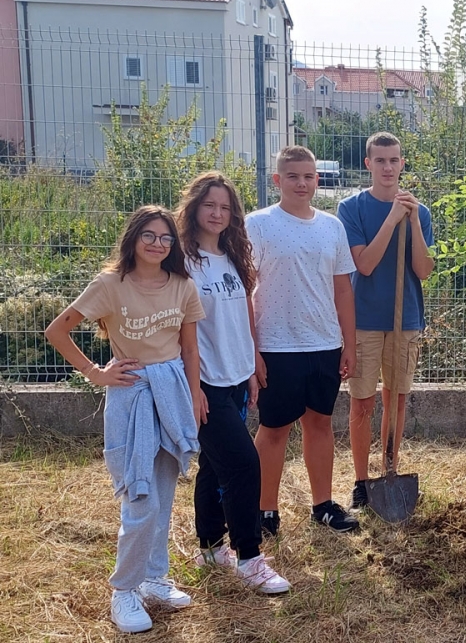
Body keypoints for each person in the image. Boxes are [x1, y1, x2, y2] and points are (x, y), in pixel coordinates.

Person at [44, 206, 205, 633]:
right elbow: (56, 331)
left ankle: (154, 579)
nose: (158, 244)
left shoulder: (183, 286)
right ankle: (124, 589)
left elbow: (190, 349)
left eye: (166, 237)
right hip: (132, 394)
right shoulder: (109, 284)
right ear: (133, 238)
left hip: (172, 391)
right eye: (149, 235)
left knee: (163, 494)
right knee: (140, 495)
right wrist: (95, 373)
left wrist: (194, 396)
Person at [176, 171, 290, 594]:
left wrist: (252, 363)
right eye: (209, 205)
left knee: (215, 464)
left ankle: (210, 546)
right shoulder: (180, 262)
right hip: (204, 381)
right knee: (244, 463)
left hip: (236, 376)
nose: (217, 213)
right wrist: (192, 387)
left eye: (225, 207)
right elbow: (175, 327)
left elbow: (243, 314)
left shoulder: (234, 256)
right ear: (194, 208)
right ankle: (250, 558)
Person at [246, 145, 359, 535]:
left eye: (309, 176)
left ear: (317, 179)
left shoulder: (332, 226)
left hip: (325, 344)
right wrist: (252, 350)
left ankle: (323, 505)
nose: (302, 183)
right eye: (293, 176)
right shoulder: (258, 224)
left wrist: (349, 343)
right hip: (277, 346)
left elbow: (342, 289)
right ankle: (264, 511)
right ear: (277, 180)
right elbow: (244, 291)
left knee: (321, 424)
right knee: (274, 429)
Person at [336, 132, 434, 512]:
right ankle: (361, 483)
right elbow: (364, 264)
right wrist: (392, 220)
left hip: (404, 320)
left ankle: (390, 470)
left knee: (396, 400)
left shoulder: (419, 212)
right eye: (380, 160)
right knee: (362, 404)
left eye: (394, 160)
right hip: (364, 320)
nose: (388, 167)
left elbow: (423, 270)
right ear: (368, 164)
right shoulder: (352, 208)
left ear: (402, 163)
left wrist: (414, 224)